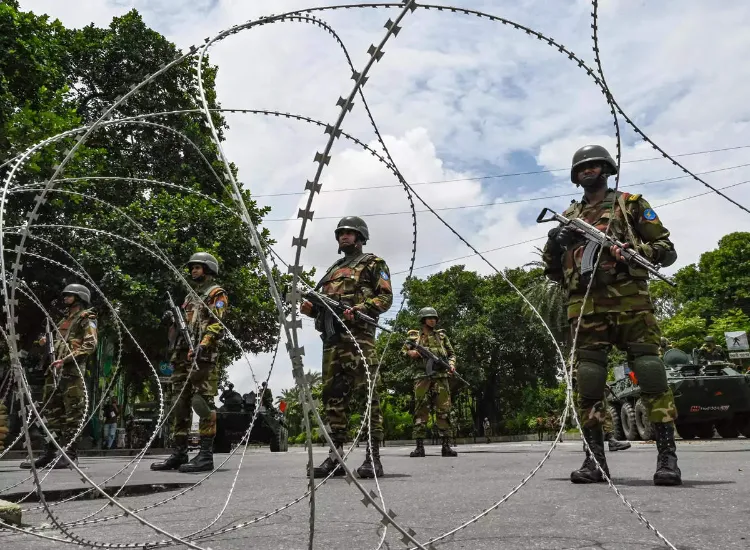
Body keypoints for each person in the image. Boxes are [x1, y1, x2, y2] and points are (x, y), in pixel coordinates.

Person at [542, 144, 682, 486]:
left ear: (606, 168)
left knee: (650, 374)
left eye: (594, 166)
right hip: (587, 309)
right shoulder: (570, 215)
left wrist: (635, 251)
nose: (588, 171)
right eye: (582, 168)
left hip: (631, 303)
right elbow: (552, 271)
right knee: (588, 381)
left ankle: (667, 458)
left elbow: (666, 250)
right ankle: (594, 462)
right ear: (576, 177)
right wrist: (558, 241)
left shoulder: (630, 204)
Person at [300, 216, 392, 478]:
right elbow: (324, 310)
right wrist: (311, 310)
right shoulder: (331, 272)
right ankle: (335, 457)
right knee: (332, 399)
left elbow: (385, 297)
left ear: (361, 237)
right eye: (341, 233)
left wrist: (361, 309)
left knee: (368, 396)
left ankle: (372, 457)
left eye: (350, 233)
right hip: (332, 342)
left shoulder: (373, 263)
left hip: (359, 340)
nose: (345, 236)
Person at [151, 252, 228, 473]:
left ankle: (205, 456)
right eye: (192, 267)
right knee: (179, 404)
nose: (193, 270)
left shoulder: (216, 293)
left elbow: (217, 324)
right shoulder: (189, 298)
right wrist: (172, 321)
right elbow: (180, 328)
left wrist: (203, 344)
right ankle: (179, 453)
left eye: (198, 267)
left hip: (203, 356)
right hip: (183, 356)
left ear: (208, 269)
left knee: (201, 402)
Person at [20, 284, 97, 469]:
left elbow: (90, 344)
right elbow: (58, 343)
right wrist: (46, 341)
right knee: (51, 414)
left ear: (79, 297)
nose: (65, 298)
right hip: (53, 372)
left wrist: (67, 359)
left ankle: (68, 453)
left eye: (69, 295)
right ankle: (51, 452)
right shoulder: (63, 321)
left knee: (73, 414)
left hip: (71, 373)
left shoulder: (87, 318)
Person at [403, 307, 458, 458]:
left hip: (441, 376)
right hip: (422, 377)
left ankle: (446, 446)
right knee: (420, 409)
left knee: (444, 409)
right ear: (423, 320)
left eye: (434, 318)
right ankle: (419, 447)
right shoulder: (414, 336)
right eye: (429, 318)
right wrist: (412, 353)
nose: (433, 320)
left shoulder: (441, 336)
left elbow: (451, 353)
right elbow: (404, 351)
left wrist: (451, 365)